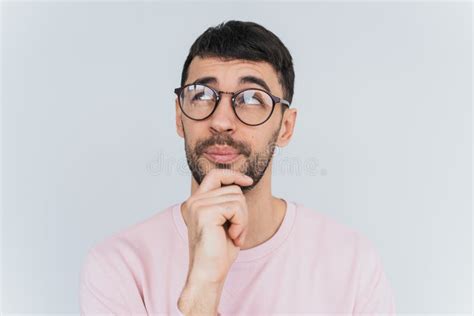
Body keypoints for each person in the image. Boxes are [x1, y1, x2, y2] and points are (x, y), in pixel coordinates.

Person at [80, 20, 396, 315]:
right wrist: (202, 292)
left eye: (252, 99)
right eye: (202, 95)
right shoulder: (118, 266)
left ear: (285, 127)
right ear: (179, 117)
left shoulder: (352, 263)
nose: (221, 121)